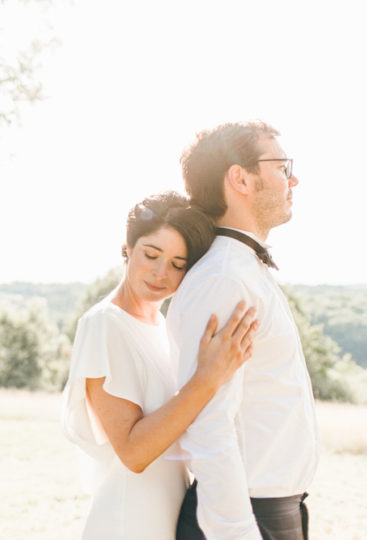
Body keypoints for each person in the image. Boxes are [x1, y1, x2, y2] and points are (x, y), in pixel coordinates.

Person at [61, 191, 259, 540]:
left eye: (177, 264)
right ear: (128, 247)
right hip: (129, 518)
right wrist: (208, 378)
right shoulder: (104, 323)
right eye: (151, 255)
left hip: (171, 511)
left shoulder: (163, 327)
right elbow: (134, 453)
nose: (160, 273)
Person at [167, 121, 319, 540]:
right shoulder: (225, 279)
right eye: (282, 166)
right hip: (242, 518)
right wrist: (237, 531)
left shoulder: (242, 270)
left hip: (269, 510)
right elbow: (209, 422)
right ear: (240, 178)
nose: (294, 179)